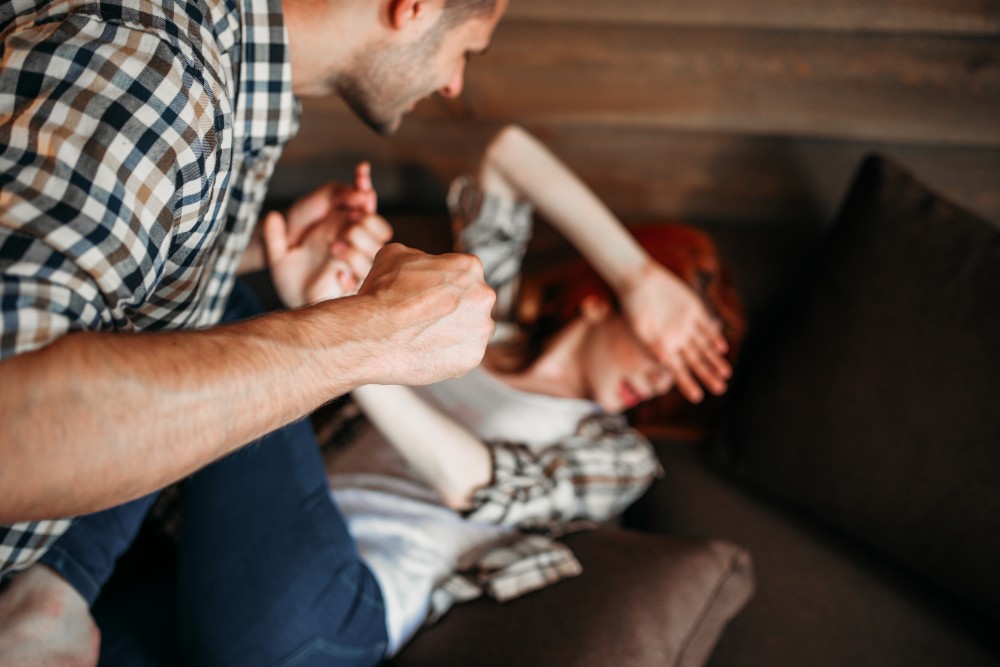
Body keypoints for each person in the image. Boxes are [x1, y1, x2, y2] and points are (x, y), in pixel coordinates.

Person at [0, 0, 508, 663]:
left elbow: (120, 297)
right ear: (414, 7)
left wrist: (249, 256)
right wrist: (374, 332)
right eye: (467, 50)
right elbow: (14, 427)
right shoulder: (159, 74)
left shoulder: (225, 81)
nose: (454, 85)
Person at [323, 125, 734, 657]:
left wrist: (344, 346)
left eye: (683, 373)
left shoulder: (618, 457)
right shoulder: (479, 321)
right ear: (599, 301)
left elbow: (468, 484)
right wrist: (637, 276)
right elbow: (507, 154)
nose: (664, 380)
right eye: (667, 347)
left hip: (364, 580)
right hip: (293, 497)